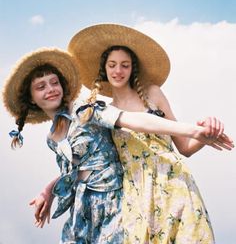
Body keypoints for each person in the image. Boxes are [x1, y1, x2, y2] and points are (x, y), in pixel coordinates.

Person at [3, 47, 232, 244]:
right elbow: (80, 169)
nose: (50, 88)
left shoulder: (87, 110)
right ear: (31, 97)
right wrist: (50, 191)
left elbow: (135, 120)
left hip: (131, 196)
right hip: (99, 205)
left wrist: (196, 131)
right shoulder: (53, 137)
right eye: (41, 86)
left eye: (54, 82)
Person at [67, 23, 234, 244]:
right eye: (112, 65)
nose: (118, 71)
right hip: (135, 198)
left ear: (132, 69)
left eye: (124, 65)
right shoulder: (104, 113)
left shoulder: (153, 94)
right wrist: (50, 190)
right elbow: (88, 163)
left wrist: (206, 133)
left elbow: (185, 148)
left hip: (175, 185)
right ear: (104, 69)